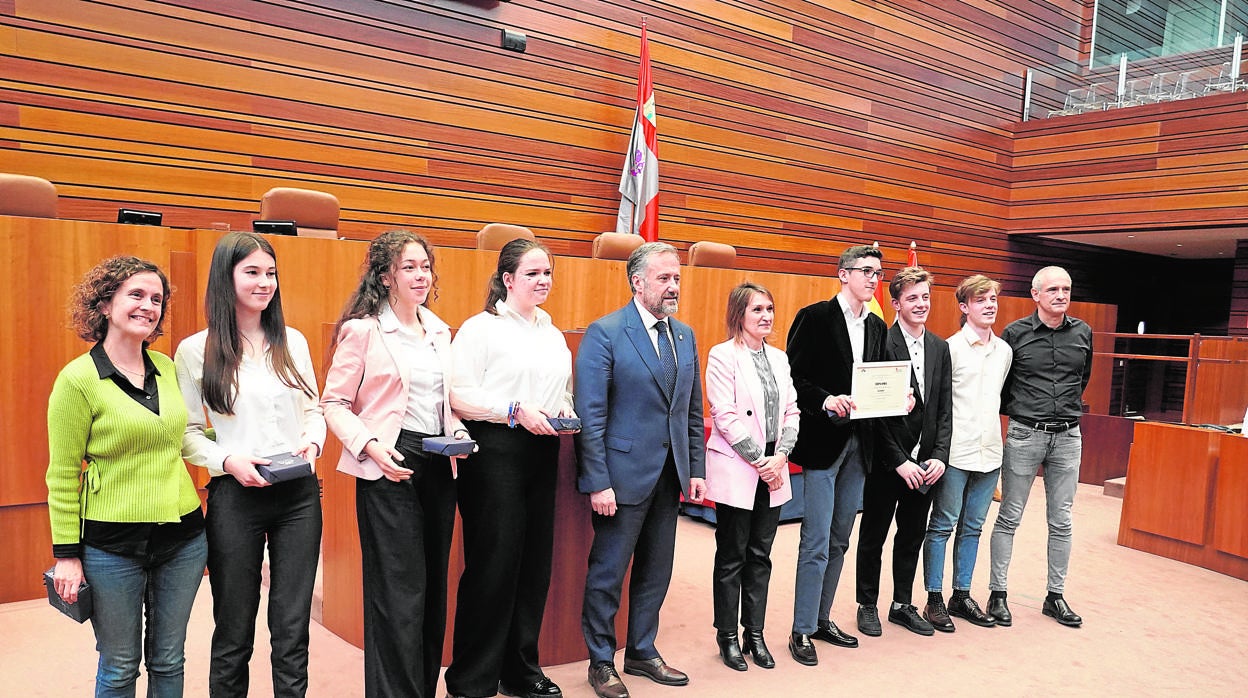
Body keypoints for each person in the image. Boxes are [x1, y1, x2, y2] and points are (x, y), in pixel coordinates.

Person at [46, 256, 207, 697]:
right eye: (135, 295)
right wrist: (66, 554)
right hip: (111, 545)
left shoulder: (168, 368)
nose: (148, 306)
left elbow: (182, 435)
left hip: (183, 540)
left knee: (170, 660)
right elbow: (61, 473)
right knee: (119, 666)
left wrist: (244, 441)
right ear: (103, 304)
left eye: (156, 299)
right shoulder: (77, 380)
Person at [321, 230, 472, 698]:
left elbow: (447, 401)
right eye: (409, 267)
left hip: (438, 463)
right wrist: (368, 445)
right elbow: (334, 403)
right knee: (397, 596)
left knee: (431, 591)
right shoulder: (363, 329)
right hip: (388, 462)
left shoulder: (440, 330)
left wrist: (460, 433)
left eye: (425, 266)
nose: (420, 275)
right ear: (386, 276)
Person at [175, 232, 325, 696]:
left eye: (271, 273)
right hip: (235, 496)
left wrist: (312, 445)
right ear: (227, 277)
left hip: (298, 496)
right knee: (234, 631)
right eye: (253, 272)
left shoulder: (293, 341)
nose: (265, 283)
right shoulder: (195, 350)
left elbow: (314, 410)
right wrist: (228, 460)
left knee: (292, 629)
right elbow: (186, 435)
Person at [576, 242, 707, 698]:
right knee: (609, 572)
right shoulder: (606, 333)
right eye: (664, 279)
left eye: (677, 279)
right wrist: (598, 480)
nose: (674, 287)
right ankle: (600, 660)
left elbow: (692, 410)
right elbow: (590, 416)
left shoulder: (685, 335)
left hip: (670, 475)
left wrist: (696, 468)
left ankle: (642, 650)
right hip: (621, 477)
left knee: (657, 569)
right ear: (637, 281)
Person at [445, 238, 574, 698]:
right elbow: (458, 395)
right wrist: (515, 409)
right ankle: (470, 678)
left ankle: (519, 668)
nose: (543, 281)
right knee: (493, 565)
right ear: (508, 279)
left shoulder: (552, 334)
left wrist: (563, 411)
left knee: (533, 565)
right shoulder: (480, 329)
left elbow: (560, 391)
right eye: (533, 273)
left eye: (548, 273)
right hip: (494, 451)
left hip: (542, 451)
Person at [785, 244, 888, 666]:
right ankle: (802, 628)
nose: (873, 279)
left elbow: (879, 381)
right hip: (823, 442)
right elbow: (793, 377)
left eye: (878, 273)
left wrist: (899, 397)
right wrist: (826, 399)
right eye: (865, 271)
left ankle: (823, 618)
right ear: (843, 274)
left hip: (859, 446)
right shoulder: (814, 317)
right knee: (815, 540)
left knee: (840, 538)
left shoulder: (879, 327)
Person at [988, 265, 1092, 628]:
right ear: (1035, 295)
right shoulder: (1013, 334)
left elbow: (1083, 378)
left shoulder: (1083, 332)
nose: (1061, 295)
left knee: (1061, 519)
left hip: (1068, 435)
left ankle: (1055, 596)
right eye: (1052, 290)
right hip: (1024, 433)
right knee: (1010, 515)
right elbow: (1002, 386)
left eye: (1066, 289)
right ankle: (998, 593)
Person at [704, 282, 800, 672]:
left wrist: (780, 459)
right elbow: (724, 415)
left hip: (774, 468)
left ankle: (754, 634)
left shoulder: (779, 358)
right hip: (740, 466)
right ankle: (727, 635)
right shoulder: (722, 355)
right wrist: (761, 462)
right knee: (732, 555)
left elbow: (792, 410)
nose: (766, 316)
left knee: (761, 555)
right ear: (739, 315)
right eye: (757, 309)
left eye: (770, 309)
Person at [854, 267, 951, 637]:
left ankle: (902, 604)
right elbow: (873, 413)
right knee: (874, 534)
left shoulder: (941, 348)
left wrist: (939, 454)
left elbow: (944, 408)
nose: (921, 304)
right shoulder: (880, 343)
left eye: (925, 297)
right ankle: (867, 604)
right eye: (912, 298)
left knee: (912, 535)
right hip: (887, 461)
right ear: (895, 303)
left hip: (927, 462)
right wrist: (898, 461)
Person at [920, 275, 1011, 632]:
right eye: (981, 300)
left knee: (973, 526)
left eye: (993, 299)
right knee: (942, 525)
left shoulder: (1004, 351)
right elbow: (939, 407)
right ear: (964, 307)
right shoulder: (949, 349)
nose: (990, 305)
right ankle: (934, 598)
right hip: (955, 452)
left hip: (990, 451)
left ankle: (962, 594)